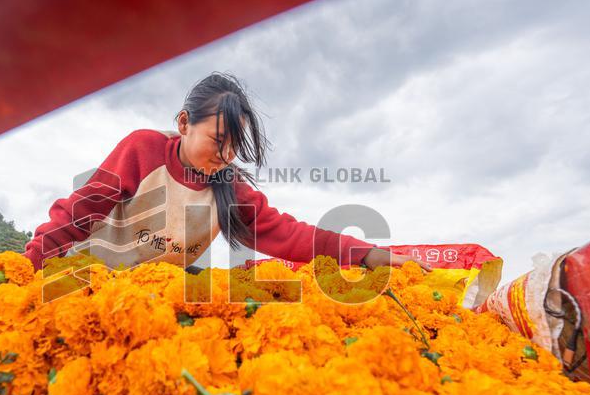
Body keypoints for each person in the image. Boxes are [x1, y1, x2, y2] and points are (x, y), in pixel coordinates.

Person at [23, 72, 428, 273]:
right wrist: (28, 266)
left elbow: (291, 234)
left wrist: (370, 255)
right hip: (83, 279)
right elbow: (79, 213)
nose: (227, 154)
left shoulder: (228, 188)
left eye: (235, 146)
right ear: (184, 123)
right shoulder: (142, 150)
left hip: (154, 304)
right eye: (219, 140)